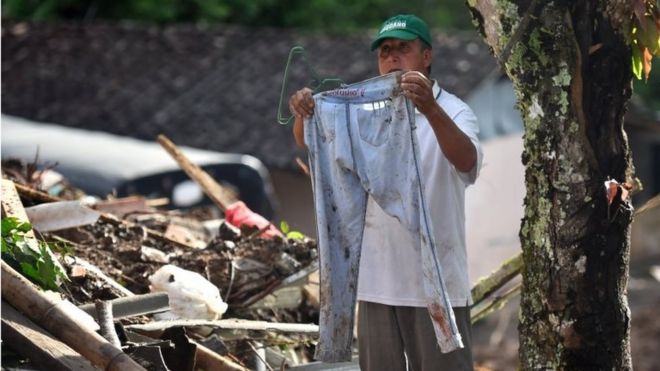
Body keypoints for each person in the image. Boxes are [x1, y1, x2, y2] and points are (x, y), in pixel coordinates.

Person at [289, 14, 481, 371]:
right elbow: (306, 140)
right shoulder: (358, 114)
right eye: (385, 51)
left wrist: (430, 108)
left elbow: (467, 161)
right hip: (376, 286)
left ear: (427, 56)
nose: (392, 57)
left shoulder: (454, 110)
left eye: (403, 49)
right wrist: (304, 112)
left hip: (437, 288)